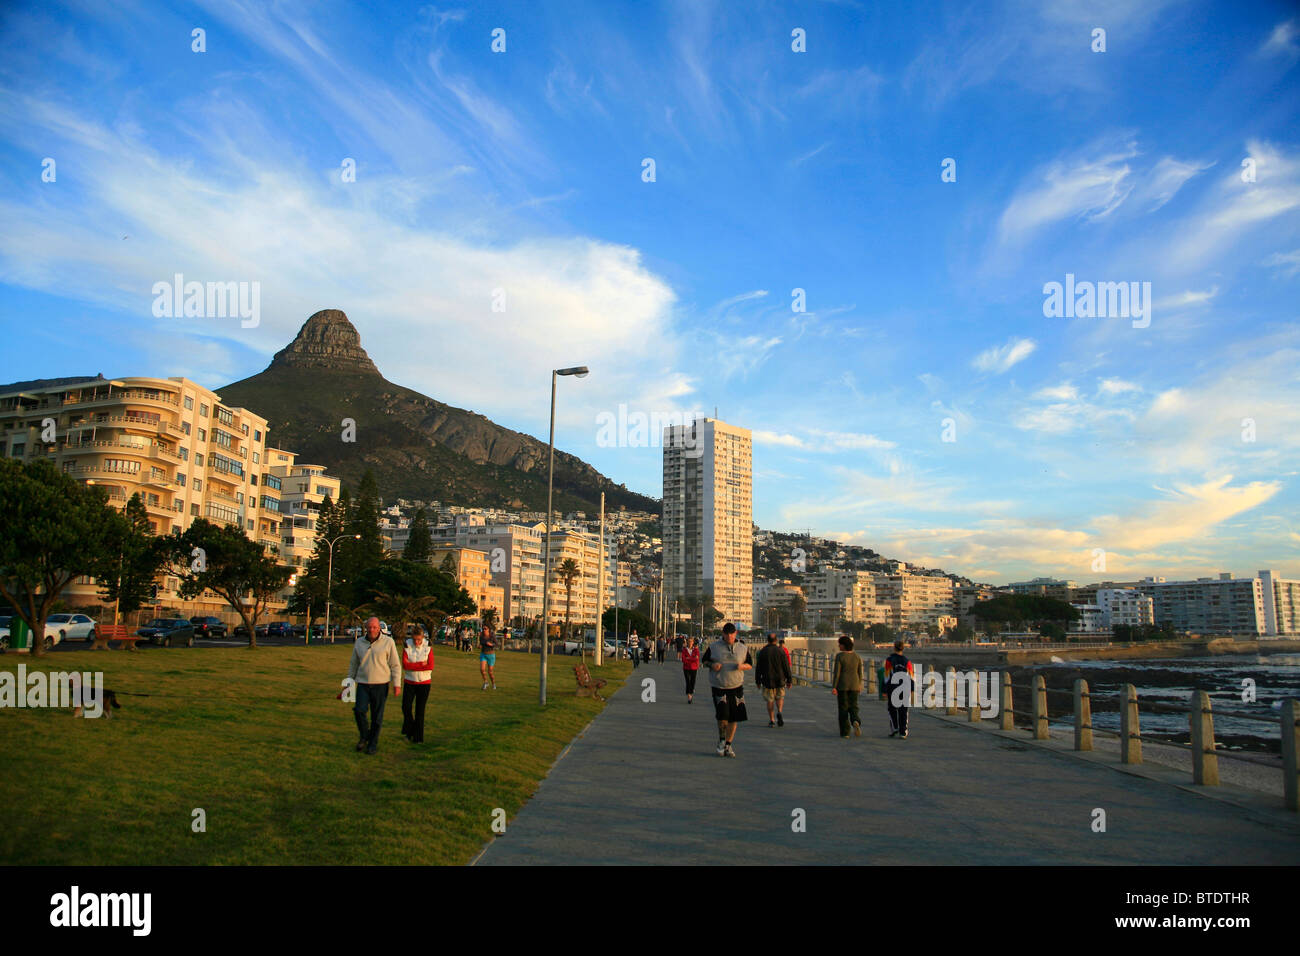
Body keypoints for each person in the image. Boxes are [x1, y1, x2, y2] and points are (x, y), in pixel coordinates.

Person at [346, 616, 402, 755]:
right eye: (369, 627)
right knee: (359, 711)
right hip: (363, 683)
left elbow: (395, 664)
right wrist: (349, 682)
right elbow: (354, 664)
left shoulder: (388, 642)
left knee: (377, 717)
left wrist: (397, 684)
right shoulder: (359, 642)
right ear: (366, 628)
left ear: (379, 628)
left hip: (381, 684)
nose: (372, 630)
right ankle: (365, 735)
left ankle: (372, 744)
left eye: (375, 627)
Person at [701, 623, 752, 757]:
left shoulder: (743, 648)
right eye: (727, 633)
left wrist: (742, 667)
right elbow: (704, 661)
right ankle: (722, 741)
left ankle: (728, 744)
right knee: (723, 716)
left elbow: (750, 665)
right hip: (719, 686)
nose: (729, 636)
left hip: (736, 687)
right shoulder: (714, 647)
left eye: (732, 633)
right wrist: (712, 665)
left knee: (733, 718)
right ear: (723, 634)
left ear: (736, 633)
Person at [401, 626, 435, 743]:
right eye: (415, 639)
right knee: (406, 707)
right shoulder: (407, 645)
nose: (417, 642)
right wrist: (421, 665)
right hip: (409, 681)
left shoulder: (428, 647)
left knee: (420, 711)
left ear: (423, 638)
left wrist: (413, 665)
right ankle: (410, 730)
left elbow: (430, 666)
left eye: (419, 640)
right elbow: (405, 665)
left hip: (424, 683)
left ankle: (418, 738)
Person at [754, 632, 793, 728]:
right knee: (779, 697)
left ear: (767, 640)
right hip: (780, 679)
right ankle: (779, 711)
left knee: (770, 700)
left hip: (767, 679)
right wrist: (789, 680)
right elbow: (786, 666)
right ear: (776, 640)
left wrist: (758, 681)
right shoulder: (781, 651)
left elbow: (758, 668)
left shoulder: (763, 651)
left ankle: (772, 720)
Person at [831, 635, 864, 738]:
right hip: (854, 685)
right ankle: (855, 720)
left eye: (840, 644)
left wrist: (834, 687)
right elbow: (860, 672)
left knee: (843, 708)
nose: (838, 646)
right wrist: (859, 685)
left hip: (842, 686)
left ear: (844, 645)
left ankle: (845, 732)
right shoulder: (857, 656)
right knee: (854, 706)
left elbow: (837, 673)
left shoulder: (840, 656)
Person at [884, 640, 915, 738]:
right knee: (903, 710)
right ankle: (903, 732)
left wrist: (884, 689)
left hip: (893, 687)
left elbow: (887, 676)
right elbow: (911, 676)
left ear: (894, 647)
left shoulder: (889, 660)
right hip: (905, 687)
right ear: (903, 648)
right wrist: (912, 688)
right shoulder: (907, 661)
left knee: (892, 709)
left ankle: (894, 727)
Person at [680, 635, 700, 703]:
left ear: (693, 642)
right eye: (688, 641)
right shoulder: (684, 650)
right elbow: (683, 659)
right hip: (686, 668)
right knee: (688, 681)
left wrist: (689, 658)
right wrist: (692, 659)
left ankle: (691, 692)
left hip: (694, 668)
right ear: (687, 642)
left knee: (693, 681)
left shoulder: (696, 650)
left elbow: (697, 658)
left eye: (691, 641)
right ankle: (689, 695)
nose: (690, 642)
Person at [479, 625, 498, 690]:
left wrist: (491, 644)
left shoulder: (492, 636)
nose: (484, 630)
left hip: (491, 655)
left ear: (488, 630)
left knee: (490, 672)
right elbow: (481, 643)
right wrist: (480, 645)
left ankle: (493, 683)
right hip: (483, 654)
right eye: (483, 629)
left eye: (485, 629)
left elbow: (496, 644)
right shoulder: (481, 636)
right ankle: (486, 682)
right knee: (482, 669)